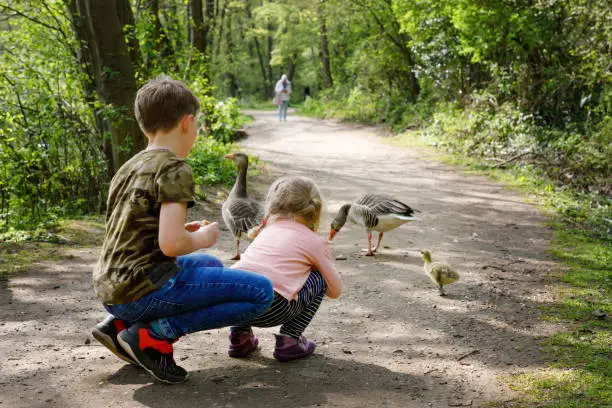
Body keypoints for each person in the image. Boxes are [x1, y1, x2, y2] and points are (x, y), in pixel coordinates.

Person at [91, 76, 274, 384]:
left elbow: (132, 228)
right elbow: (172, 244)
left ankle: (118, 325)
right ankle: (154, 336)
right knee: (261, 292)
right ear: (188, 123)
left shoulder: (128, 167)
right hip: (143, 290)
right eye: (197, 126)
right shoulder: (175, 168)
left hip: (112, 288)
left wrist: (181, 229)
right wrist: (202, 237)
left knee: (211, 265)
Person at [227, 176, 343, 361]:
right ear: (315, 211)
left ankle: (239, 338)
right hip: (273, 309)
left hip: (231, 305)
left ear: (273, 207)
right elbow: (335, 290)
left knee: (244, 281)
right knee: (320, 278)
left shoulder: (264, 233)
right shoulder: (314, 241)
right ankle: (290, 340)